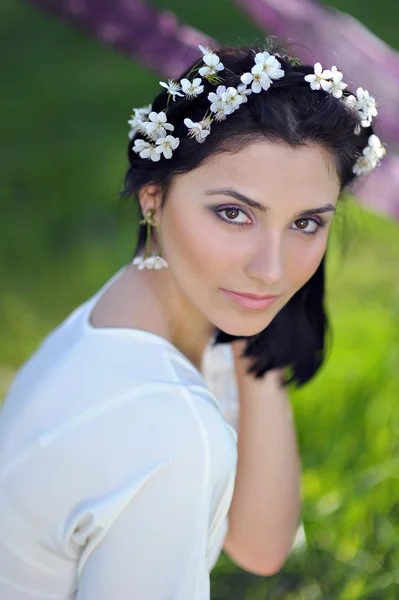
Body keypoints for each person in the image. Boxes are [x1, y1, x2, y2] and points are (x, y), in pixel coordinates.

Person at [0, 42, 385, 599]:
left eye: (305, 224)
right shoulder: (172, 426)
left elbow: (261, 545)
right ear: (153, 198)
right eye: (234, 214)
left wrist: (253, 326)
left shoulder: (125, 311)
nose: (271, 270)